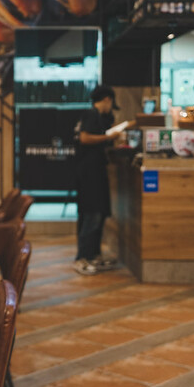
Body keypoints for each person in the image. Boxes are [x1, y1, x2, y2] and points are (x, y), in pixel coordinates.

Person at [74, 85, 122, 275]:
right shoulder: (90, 114)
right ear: (107, 99)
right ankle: (82, 258)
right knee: (91, 215)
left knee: (98, 214)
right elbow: (85, 138)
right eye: (111, 103)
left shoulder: (98, 118)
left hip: (94, 172)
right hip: (89, 174)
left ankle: (93, 255)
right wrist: (108, 136)